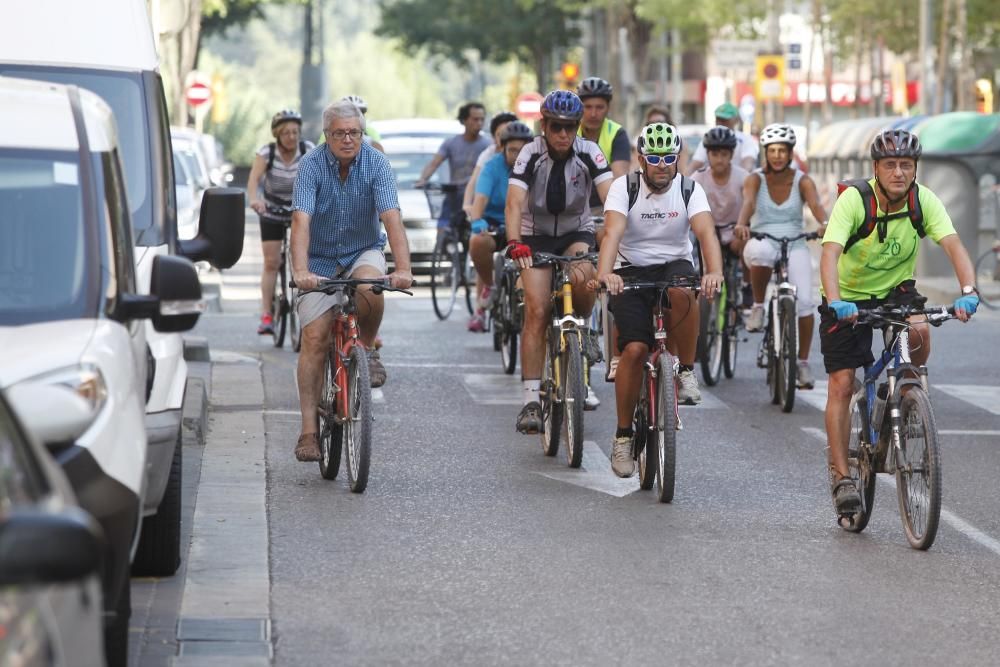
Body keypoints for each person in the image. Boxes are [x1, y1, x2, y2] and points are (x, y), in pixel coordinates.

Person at [818, 129, 978, 514]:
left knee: (920, 329)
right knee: (841, 384)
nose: (899, 173)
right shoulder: (855, 200)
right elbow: (830, 253)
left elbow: (953, 245)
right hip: (849, 298)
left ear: (915, 169)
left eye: (906, 165)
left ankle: (907, 396)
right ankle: (841, 476)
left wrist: (969, 291)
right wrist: (836, 301)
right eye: (890, 165)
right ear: (876, 168)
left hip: (896, 289)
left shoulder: (923, 201)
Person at [592, 123, 723, 477]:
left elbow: (706, 232)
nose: (662, 165)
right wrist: (606, 274)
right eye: (654, 158)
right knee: (634, 350)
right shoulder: (625, 188)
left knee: (685, 291)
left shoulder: (689, 189)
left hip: (673, 265)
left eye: (669, 158)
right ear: (641, 160)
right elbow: (612, 233)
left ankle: (685, 370)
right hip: (631, 268)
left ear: (678, 159)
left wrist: (713, 271)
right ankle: (622, 436)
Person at [289, 100, 413, 462]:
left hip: (362, 250)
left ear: (362, 133)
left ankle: (368, 350)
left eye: (354, 133)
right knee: (315, 337)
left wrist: (402, 269)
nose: (348, 139)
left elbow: (391, 218)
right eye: (340, 133)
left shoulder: (377, 163)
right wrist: (300, 272)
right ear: (326, 136)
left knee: (371, 289)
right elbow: (301, 222)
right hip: (318, 258)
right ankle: (309, 431)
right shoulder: (310, 166)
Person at [505, 90, 614, 433]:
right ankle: (530, 401)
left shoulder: (590, 152)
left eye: (570, 127)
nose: (563, 134)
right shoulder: (530, 153)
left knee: (584, 280)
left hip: (575, 232)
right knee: (536, 311)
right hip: (534, 235)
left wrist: (616, 236)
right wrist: (514, 243)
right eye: (556, 127)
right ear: (544, 125)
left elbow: (612, 200)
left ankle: (584, 328)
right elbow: (513, 202)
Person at [735, 123, 827, 389]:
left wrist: (824, 223)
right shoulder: (755, 179)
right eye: (772, 150)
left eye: (782, 151)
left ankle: (803, 363)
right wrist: (742, 224)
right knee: (761, 253)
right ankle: (758, 307)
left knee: (806, 303)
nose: (777, 155)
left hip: (796, 242)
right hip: (763, 238)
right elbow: (748, 204)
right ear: (766, 152)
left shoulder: (802, 180)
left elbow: (816, 206)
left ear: (790, 153)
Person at [246, 109, 315, 335]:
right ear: (277, 134)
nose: (292, 137)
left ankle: (308, 312)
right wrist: (256, 201)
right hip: (273, 210)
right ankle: (267, 314)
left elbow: (321, 177)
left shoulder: (308, 150)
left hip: (299, 211)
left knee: (302, 262)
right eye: (286, 133)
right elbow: (253, 182)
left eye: (295, 132)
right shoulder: (268, 152)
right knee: (271, 263)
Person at [466, 121, 533, 332]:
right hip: (496, 224)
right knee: (477, 242)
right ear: (502, 148)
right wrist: (478, 222)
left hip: (525, 226)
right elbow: (480, 201)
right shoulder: (491, 167)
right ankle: (489, 285)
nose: (517, 155)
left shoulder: (537, 166)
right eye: (512, 150)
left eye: (522, 150)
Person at [414, 102, 491, 229]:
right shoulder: (451, 143)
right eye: (475, 119)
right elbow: (434, 163)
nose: (479, 123)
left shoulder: (488, 146)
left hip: (477, 198)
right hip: (454, 196)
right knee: (443, 228)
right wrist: (423, 178)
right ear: (464, 120)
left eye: (482, 119)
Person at [690, 126, 750, 257]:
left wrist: (742, 230)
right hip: (708, 232)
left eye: (724, 154)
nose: (719, 160)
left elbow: (751, 204)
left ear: (732, 155)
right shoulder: (698, 178)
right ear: (707, 155)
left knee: (748, 246)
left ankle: (747, 278)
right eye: (715, 154)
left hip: (736, 232)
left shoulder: (743, 177)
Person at [462, 111, 518, 218]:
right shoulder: (488, 157)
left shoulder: (529, 157)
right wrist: (467, 205)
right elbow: (474, 181)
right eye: (501, 134)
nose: (506, 138)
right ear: (493, 137)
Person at [687, 102, 758, 173]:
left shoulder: (745, 140)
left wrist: (739, 180)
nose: (720, 123)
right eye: (718, 119)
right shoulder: (709, 139)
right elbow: (695, 164)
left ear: (736, 120)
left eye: (724, 120)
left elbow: (748, 165)